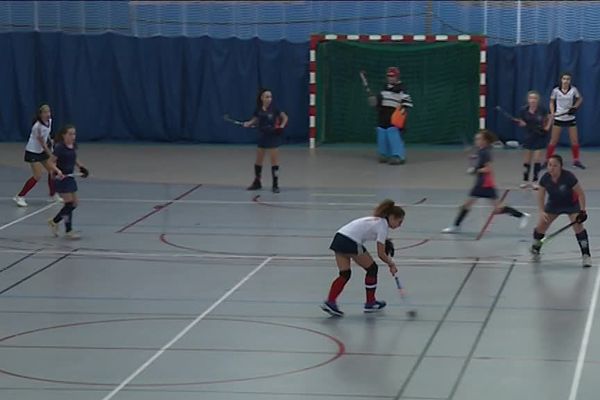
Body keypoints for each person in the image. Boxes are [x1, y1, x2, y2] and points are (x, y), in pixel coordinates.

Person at [321, 199, 403, 317]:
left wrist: (386, 242)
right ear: (392, 217)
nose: (399, 226)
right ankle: (370, 303)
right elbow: (381, 254)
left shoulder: (376, 221)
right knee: (372, 268)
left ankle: (330, 302)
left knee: (345, 274)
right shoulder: (383, 226)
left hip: (339, 238)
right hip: (350, 242)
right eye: (399, 222)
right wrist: (392, 264)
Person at [442, 130, 530, 233]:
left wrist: (474, 170)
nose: (476, 141)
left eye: (479, 139)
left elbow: (488, 169)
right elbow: (479, 160)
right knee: (496, 208)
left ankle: (455, 226)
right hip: (483, 182)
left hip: (484, 183)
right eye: (476, 139)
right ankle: (522, 216)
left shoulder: (485, 152)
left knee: (468, 205)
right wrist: (473, 158)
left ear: (485, 141)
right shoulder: (481, 150)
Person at [530, 154, 591, 268]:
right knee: (541, 226)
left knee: (578, 227)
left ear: (560, 167)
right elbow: (541, 195)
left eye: (555, 165)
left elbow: (581, 194)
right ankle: (536, 248)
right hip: (554, 205)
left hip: (571, 205)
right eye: (549, 165)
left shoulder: (569, 177)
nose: (551, 168)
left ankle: (586, 255)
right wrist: (542, 211)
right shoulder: (545, 178)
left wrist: (582, 211)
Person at [13, 104, 63, 207]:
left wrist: (51, 144)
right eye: (45, 112)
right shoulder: (37, 127)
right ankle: (20, 196)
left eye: (49, 112)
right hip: (33, 151)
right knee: (37, 176)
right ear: (40, 114)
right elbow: (42, 144)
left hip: (42, 151)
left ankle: (53, 195)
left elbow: (47, 136)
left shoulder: (49, 121)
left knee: (52, 171)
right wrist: (51, 154)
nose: (48, 114)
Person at [47, 125, 89, 239]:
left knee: (74, 203)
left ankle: (58, 223)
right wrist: (57, 171)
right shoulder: (59, 147)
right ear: (64, 135)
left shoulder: (73, 146)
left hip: (70, 177)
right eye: (70, 134)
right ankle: (64, 227)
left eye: (74, 134)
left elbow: (74, 158)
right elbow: (50, 162)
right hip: (61, 178)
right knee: (69, 203)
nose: (72, 136)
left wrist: (82, 167)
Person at [243, 88, 288, 193]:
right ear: (262, 98)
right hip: (262, 136)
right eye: (267, 97)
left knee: (274, 161)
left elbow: (285, 117)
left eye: (270, 97)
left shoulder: (275, 108)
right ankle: (257, 182)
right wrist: (248, 123)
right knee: (259, 160)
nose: (269, 99)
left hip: (273, 137)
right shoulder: (258, 109)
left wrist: (281, 126)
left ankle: (275, 185)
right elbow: (255, 120)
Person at [368, 67, 413, 165]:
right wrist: (375, 101)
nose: (390, 78)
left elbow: (407, 102)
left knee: (393, 133)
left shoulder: (402, 88)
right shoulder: (384, 88)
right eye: (389, 76)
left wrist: (402, 113)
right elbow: (379, 101)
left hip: (394, 115)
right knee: (382, 132)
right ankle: (384, 154)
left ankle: (398, 155)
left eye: (393, 76)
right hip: (383, 114)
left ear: (397, 76)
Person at [514, 91, 552, 189]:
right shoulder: (523, 110)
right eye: (531, 98)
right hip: (528, 137)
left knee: (537, 159)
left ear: (538, 100)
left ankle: (535, 180)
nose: (533, 100)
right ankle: (525, 180)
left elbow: (550, 117)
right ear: (528, 99)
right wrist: (521, 123)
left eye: (535, 98)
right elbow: (521, 121)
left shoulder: (542, 109)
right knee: (527, 160)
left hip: (540, 137)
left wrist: (547, 127)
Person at [547, 72, 584, 169]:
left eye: (568, 79)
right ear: (561, 80)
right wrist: (552, 113)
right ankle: (547, 160)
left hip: (570, 118)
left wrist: (574, 107)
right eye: (564, 79)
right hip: (559, 118)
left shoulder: (573, 90)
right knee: (553, 141)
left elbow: (580, 99)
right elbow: (551, 102)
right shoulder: (556, 91)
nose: (566, 81)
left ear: (570, 80)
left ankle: (576, 160)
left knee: (575, 141)